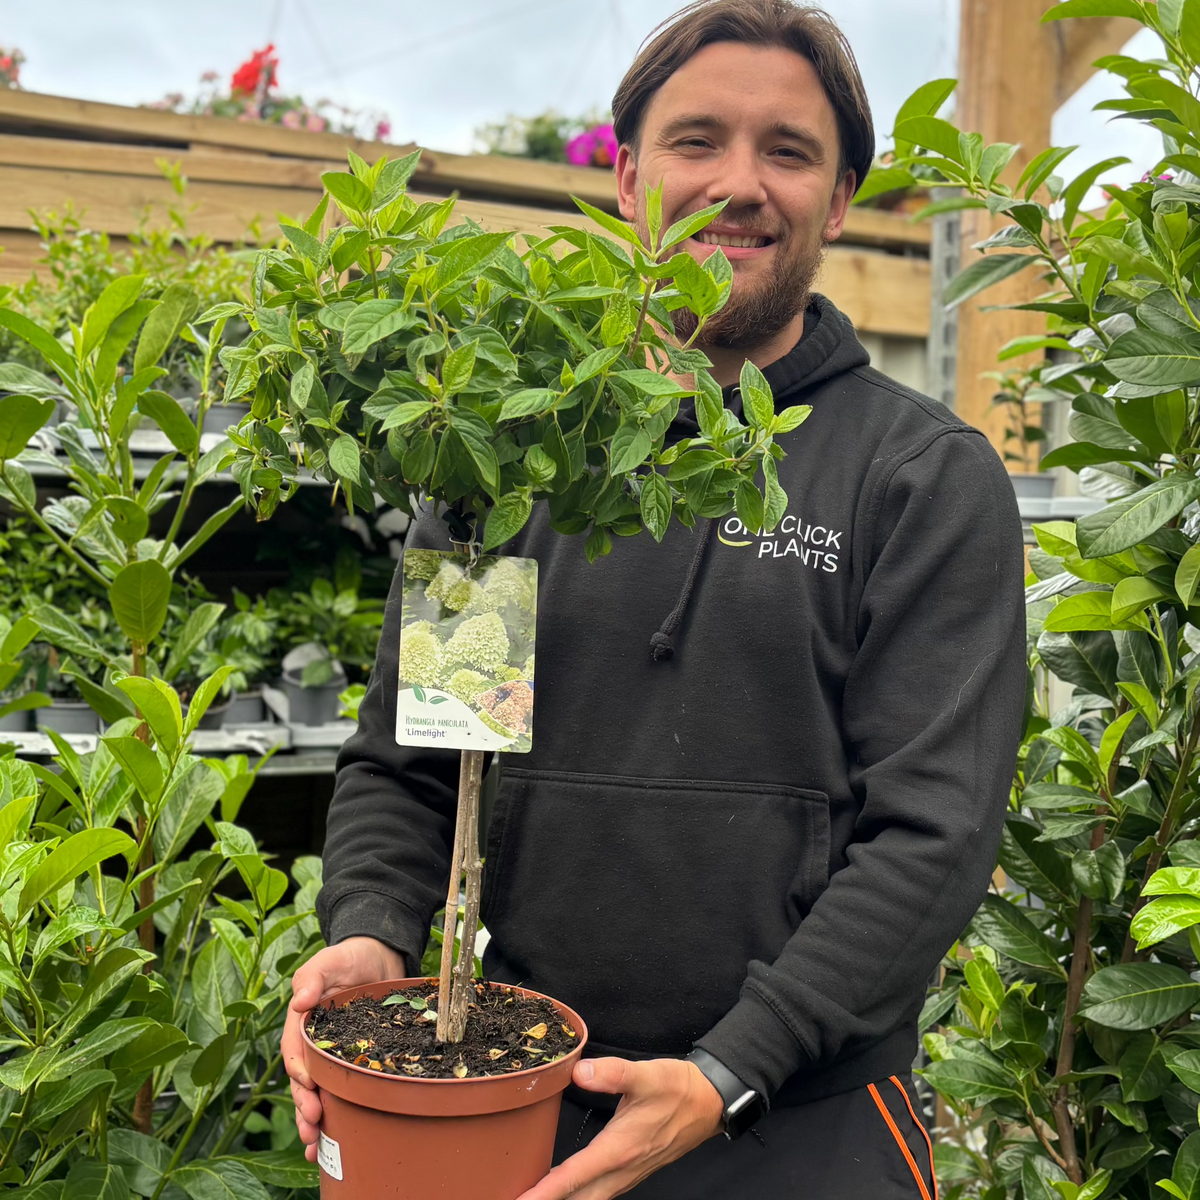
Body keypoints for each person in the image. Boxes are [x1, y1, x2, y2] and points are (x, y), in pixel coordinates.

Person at [283, 1, 1027, 1196]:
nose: (739, 184)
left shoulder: (918, 480)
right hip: (518, 1091)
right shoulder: (505, 461)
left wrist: (734, 1066)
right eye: (697, 142)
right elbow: (418, 761)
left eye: (788, 151)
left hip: (801, 1117)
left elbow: (930, 836)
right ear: (628, 177)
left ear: (839, 201)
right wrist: (369, 929)